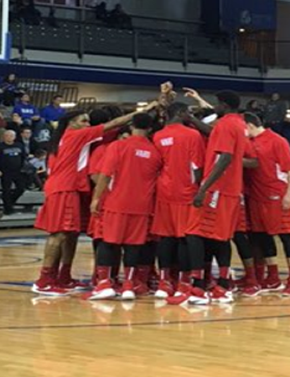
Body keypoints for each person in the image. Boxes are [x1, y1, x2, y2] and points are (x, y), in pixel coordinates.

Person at [32, 104, 156, 296]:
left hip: (68, 187)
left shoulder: (72, 139)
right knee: (59, 234)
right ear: (71, 123)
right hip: (63, 188)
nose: (87, 124)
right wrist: (146, 109)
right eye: (84, 121)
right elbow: (113, 124)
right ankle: (44, 280)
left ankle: (64, 276)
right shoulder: (75, 135)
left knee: (70, 234)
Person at [167, 90, 248, 305]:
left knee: (193, 232)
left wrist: (204, 188)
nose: (215, 107)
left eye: (217, 104)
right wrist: (192, 120)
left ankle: (198, 287)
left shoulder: (225, 125)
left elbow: (225, 157)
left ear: (223, 105)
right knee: (220, 237)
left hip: (217, 189)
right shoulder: (238, 124)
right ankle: (222, 286)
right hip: (231, 189)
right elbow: (213, 134)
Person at [86, 113, 162, 301]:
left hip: (116, 202)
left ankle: (104, 284)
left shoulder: (118, 146)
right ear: (150, 129)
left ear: (131, 126)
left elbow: (105, 175)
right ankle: (129, 285)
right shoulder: (155, 152)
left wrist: (96, 199)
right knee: (134, 245)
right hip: (142, 205)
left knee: (108, 241)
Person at [146, 102, 206, 299]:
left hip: (164, 192)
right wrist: (200, 187)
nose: (190, 115)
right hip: (187, 192)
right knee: (186, 238)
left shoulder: (158, 136)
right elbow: (197, 167)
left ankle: (164, 283)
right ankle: (184, 282)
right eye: (188, 112)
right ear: (181, 113)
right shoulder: (193, 135)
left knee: (166, 237)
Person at [243, 112, 290, 296]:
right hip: (257, 197)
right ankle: (273, 277)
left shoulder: (277, 140)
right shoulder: (249, 142)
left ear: (250, 125)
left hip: (277, 195)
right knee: (263, 236)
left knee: (285, 236)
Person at [0, 130, 27, 215]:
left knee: (21, 188)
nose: (9, 137)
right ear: (4, 136)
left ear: (14, 137)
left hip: (18, 171)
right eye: (7, 135)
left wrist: (23, 168)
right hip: (5, 171)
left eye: (11, 136)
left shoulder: (19, 145)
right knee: (6, 190)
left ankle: (10, 203)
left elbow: (23, 157)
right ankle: (8, 209)